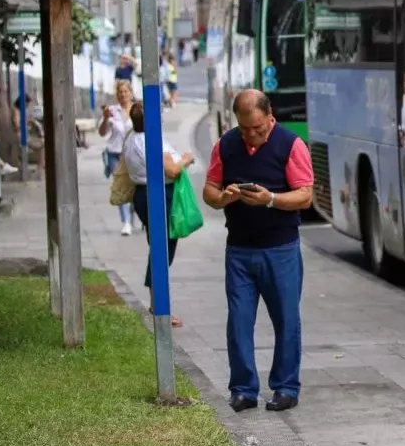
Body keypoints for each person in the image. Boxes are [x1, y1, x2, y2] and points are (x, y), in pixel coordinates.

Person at [202, 90, 314, 413]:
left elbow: (305, 195)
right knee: (238, 321)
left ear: (270, 117)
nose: (251, 136)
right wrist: (223, 197)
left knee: (286, 320)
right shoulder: (225, 145)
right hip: (238, 250)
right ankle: (243, 389)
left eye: (258, 129)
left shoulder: (291, 145)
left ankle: (286, 387)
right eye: (245, 129)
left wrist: (271, 199)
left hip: (281, 249)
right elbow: (209, 189)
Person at [123, 101, 194, 327]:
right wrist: (186, 158)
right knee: (162, 251)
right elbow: (172, 170)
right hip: (160, 196)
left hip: (144, 195)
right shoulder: (152, 141)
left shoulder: (132, 138)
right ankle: (159, 306)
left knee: (158, 247)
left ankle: (157, 303)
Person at [98, 79, 136, 235]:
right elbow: (102, 132)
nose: (123, 94)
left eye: (126, 91)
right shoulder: (112, 111)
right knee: (120, 188)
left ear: (131, 93)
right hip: (116, 154)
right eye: (120, 92)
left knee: (134, 188)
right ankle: (126, 221)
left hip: (134, 154)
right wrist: (106, 118)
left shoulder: (137, 109)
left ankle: (133, 213)